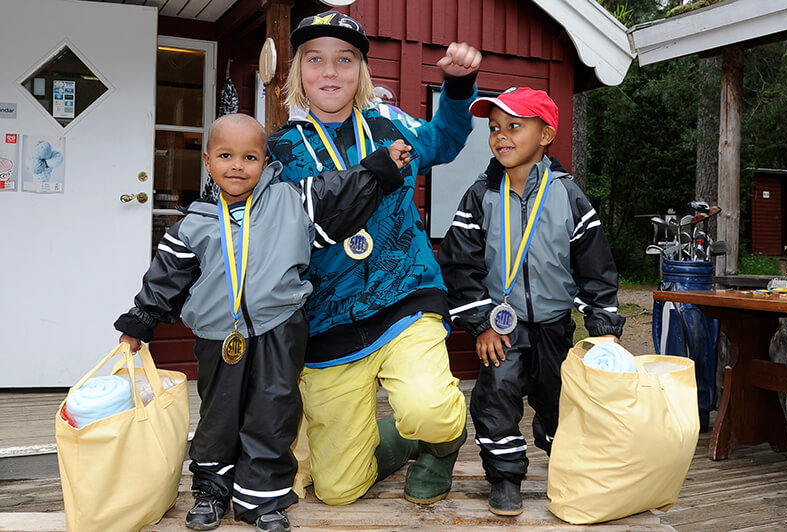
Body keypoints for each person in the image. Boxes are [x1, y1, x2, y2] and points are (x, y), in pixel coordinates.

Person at [114, 113, 409, 532]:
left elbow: (340, 189)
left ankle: (261, 498)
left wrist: (382, 164)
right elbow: (163, 279)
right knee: (219, 413)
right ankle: (211, 491)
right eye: (226, 155)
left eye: (250, 157)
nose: (237, 165)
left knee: (273, 410)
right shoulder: (192, 225)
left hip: (280, 328)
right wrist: (139, 323)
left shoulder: (293, 201)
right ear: (207, 161)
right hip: (219, 335)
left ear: (266, 161)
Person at [267, 10, 482, 506]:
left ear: (361, 71)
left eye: (345, 60)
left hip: (404, 296)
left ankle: (440, 443)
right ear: (299, 70)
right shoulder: (279, 151)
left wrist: (457, 86)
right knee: (339, 490)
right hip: (327, 324)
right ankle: (403, 440)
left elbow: (446, 141)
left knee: (429, 406)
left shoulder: (390, 126)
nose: (330, 72)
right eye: (315, 60)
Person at [437, 87, 625, 516]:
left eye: (514, 126)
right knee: (497, 394)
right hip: (501, 327)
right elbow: (457, 266)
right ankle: (504, 478)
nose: (501, 136)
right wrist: (482, 322)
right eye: (494, 128)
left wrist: (604, 329)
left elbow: (596, 269)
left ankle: (565, 468)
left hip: (556, 324)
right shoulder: (480, 196)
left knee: (559, 399)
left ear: (546, 135)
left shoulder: (570, 197)